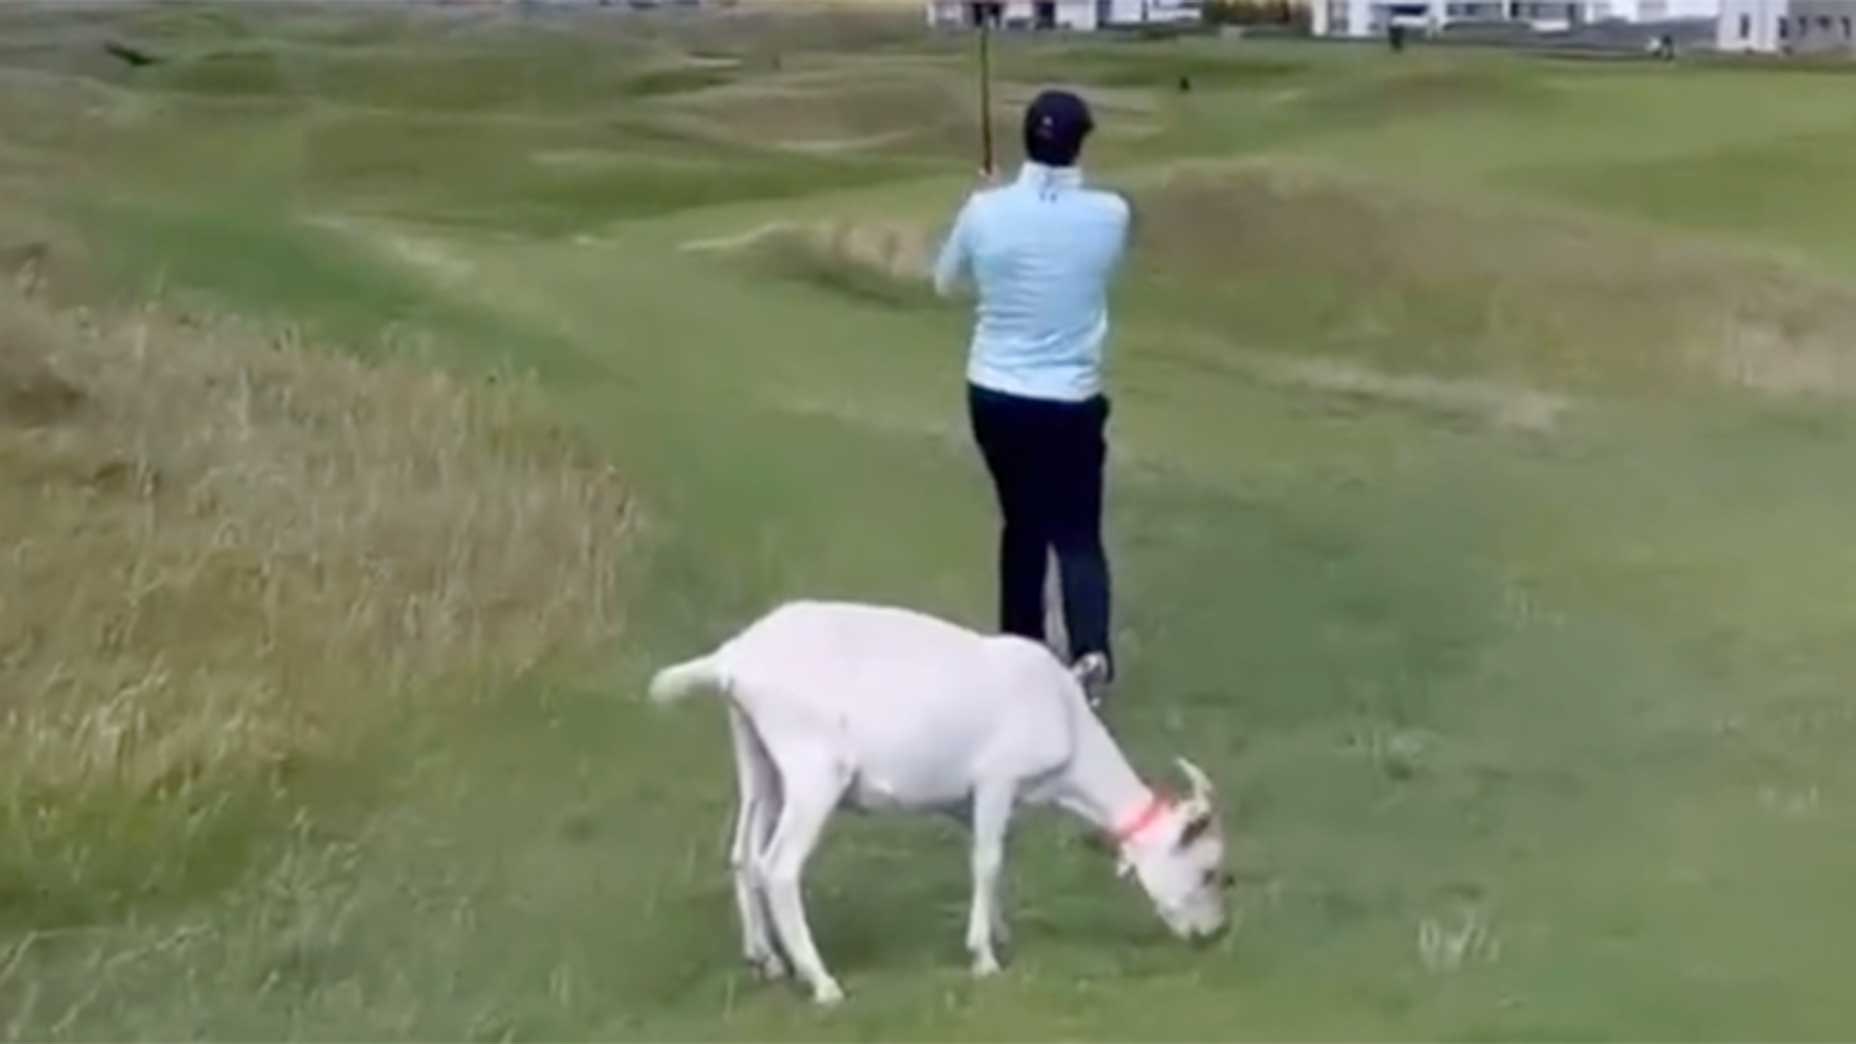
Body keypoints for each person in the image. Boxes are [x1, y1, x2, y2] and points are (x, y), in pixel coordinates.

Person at [933, 89, 1131, 707]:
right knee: (1077, 532)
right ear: (1080, 144)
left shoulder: (984, 211)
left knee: (1022, 525)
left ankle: (1019, 658)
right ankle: (1090, 654)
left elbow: (943, 283)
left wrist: (989, 204)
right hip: (1070, 399)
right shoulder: (1111, 214)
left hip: (996, 394)